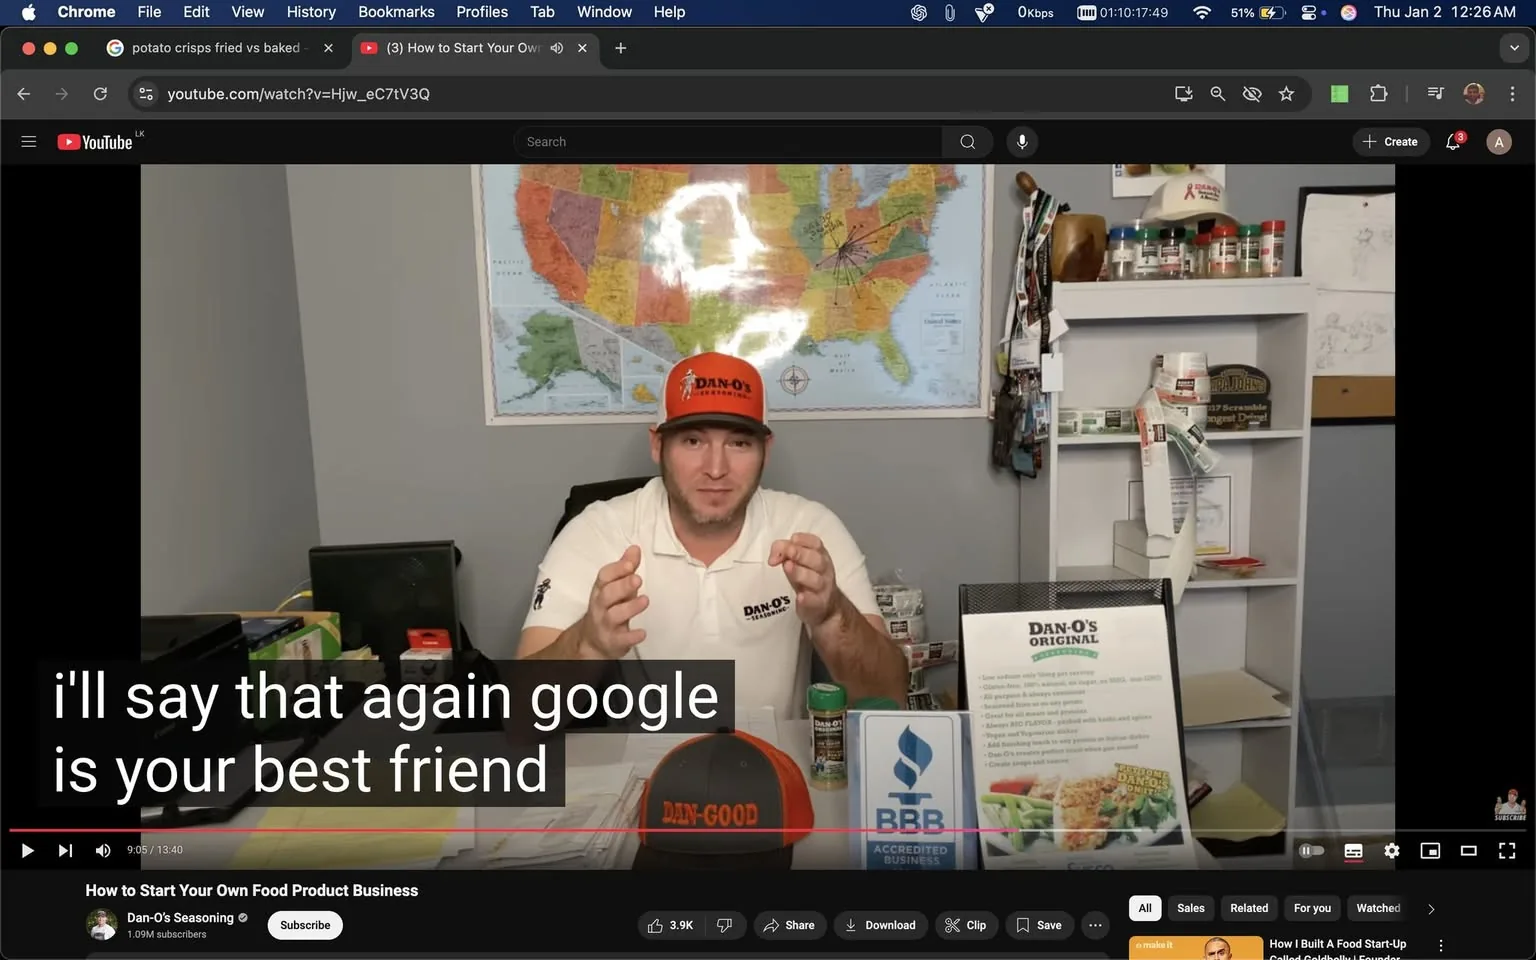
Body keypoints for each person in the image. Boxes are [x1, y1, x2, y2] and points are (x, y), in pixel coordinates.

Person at [517, 351, 907, 715]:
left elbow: (890, 696)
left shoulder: (809, 529)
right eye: (693, 441)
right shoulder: (598, 530)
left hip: (776, 769)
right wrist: (588, 644)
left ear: (765, 450)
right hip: (647, 771)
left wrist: (832, 616)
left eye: (738, 443)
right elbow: (519, 717)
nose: (716, 468)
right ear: (657, 445)